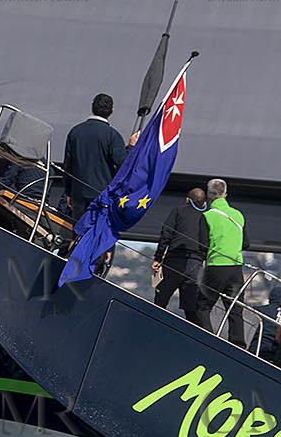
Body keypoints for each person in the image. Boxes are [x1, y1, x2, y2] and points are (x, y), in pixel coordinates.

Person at [62, 94, 137, 222]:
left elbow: (68, 165)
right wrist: (131, 147)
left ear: (92, 107)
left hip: (78, 193)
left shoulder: (75, 132)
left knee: (78, 233)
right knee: (98, 234)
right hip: (101, 195)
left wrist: (69, 192)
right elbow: (123, 163)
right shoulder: (112, 135)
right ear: (112, 111)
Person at [193, 178, 250, 349]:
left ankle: (208, 341)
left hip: (216, 267)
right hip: (236, 268)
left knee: (202, 307)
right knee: (235, 309)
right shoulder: (238, 215)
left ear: (209, 196)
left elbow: (202, 245)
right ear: (226, 195)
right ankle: (239, 345)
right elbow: (246, 244)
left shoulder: (208, 216)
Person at [151, 188, 208, 321]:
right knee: (191, 308)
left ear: (187, 200)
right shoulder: (207, 216)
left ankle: (155, 327)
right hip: (196, 264)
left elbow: (166, 233)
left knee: (160, 299)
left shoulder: (178, 211)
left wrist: (158, 258)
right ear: (204, 203)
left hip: (174, 261)